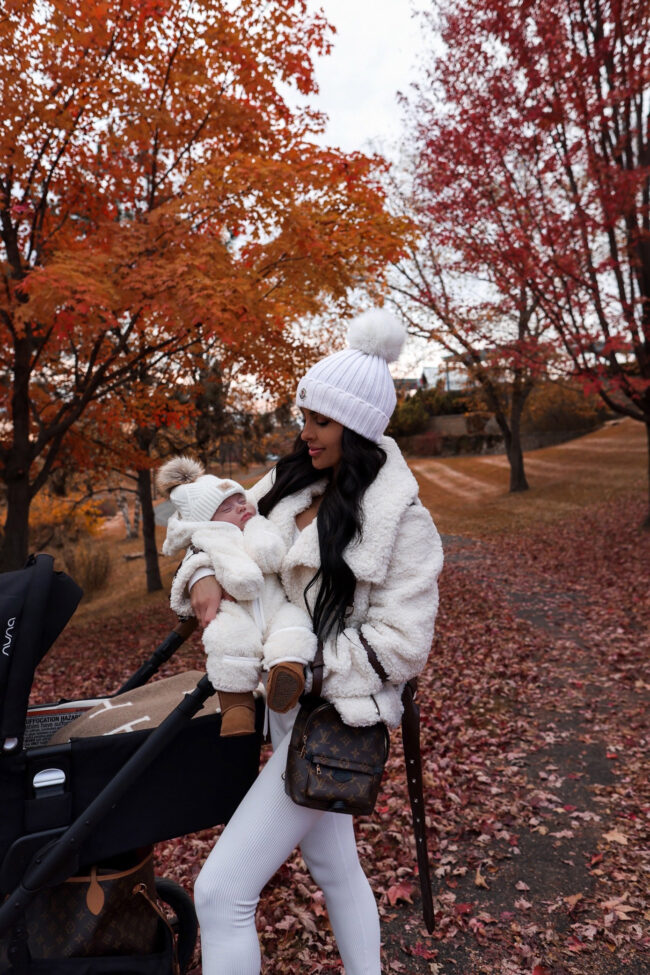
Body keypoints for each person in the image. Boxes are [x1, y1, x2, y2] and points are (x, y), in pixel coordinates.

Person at [190, 308, 444, 974]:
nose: (305, 433)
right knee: (336, 865)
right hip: (283, 716)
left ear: (356, 427)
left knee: (219, 894)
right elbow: (218, 528)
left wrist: (303, 663)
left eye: (320, 421)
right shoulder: (285, 481)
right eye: (304, 416)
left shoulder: (400, 521)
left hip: (333, 720)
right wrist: (202, 580)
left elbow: (403, 643)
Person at [157, 458, 316, 736]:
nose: (241, 507)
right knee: (226, 641)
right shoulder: (210, 538)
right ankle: (236, 709)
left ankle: (287, 671)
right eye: (227, 508)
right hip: (235, 612)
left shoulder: (258, 525)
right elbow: (194, 553)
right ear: (208, 521)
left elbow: (270, 553)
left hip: (277, 605)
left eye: (241, 500)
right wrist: (199, 573)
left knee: (293, 626)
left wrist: (259, 534)